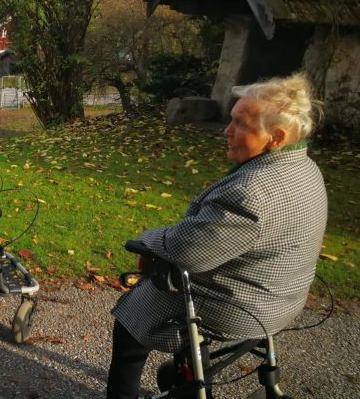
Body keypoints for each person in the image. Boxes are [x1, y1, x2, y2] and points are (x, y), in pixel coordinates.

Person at [106, 73, 328, 399]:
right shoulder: (305, 169)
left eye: (241, 124)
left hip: (237, 308)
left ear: (276, 137)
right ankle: (188, 376)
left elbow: (185, 251)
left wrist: (147, 241)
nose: (226, 130)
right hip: (282, 300)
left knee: (130, 322)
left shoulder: (251, 192)